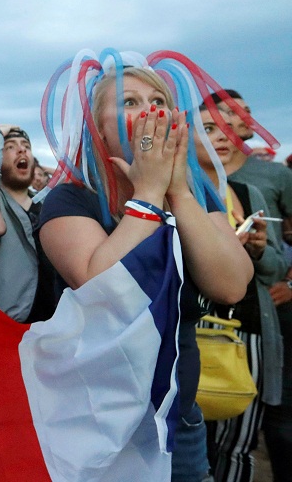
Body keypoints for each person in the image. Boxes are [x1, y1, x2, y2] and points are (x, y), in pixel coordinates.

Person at [37, 54, 253, 482]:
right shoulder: (69, 199)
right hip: (90, 422)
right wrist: (148, 192)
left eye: (158, 99)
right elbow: (101, 285)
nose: (150, 109)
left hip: (177, 420)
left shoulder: (195, 193)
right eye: (130, 102)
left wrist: (179, 193)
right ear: (98, 127)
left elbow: (231, 286)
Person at [191, 104, 286, 482]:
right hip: (193, 331)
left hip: (248, 332)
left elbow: (277, 268)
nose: (223, 137)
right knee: (188, 440)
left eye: (230, 130)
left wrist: (259, 250)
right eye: (211, 128)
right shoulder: (177, 194)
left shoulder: (251, 193)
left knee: (239, 444)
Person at [0, 124, 55, 322]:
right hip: (10, 324)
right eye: (10, 147)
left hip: (56, 324)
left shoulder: (49, 204)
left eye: (26, 145)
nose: (21, 149)